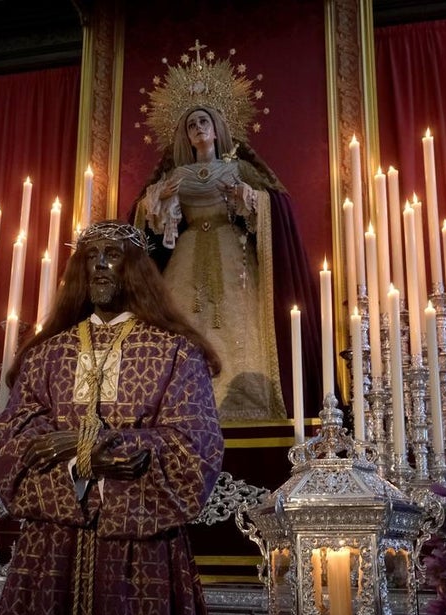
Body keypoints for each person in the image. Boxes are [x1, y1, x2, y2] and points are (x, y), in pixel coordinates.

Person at [0, 221, 246, 615]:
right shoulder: (48, 356)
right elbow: (12, 443)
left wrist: (91, 442)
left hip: (141, 552)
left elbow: (194, 448)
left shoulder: (174, 356)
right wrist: (89, 463)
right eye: (91, 257)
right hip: (50, 553)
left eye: (114, 255)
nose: (101, 266)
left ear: (137, 271)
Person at [135, 103, 321, 422]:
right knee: (183, 323)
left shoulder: (238, 170)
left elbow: (273, 205)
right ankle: (181, 407)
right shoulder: (177, 175)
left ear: (217, 128)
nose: (198, 128)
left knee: (240, 322)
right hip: (188, 253)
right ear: (186, 136)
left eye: (203, 121)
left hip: (232, 254)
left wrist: (245, 197)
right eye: (191, 124)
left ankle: (245, 407)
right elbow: (148, 220)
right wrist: (159, 199)